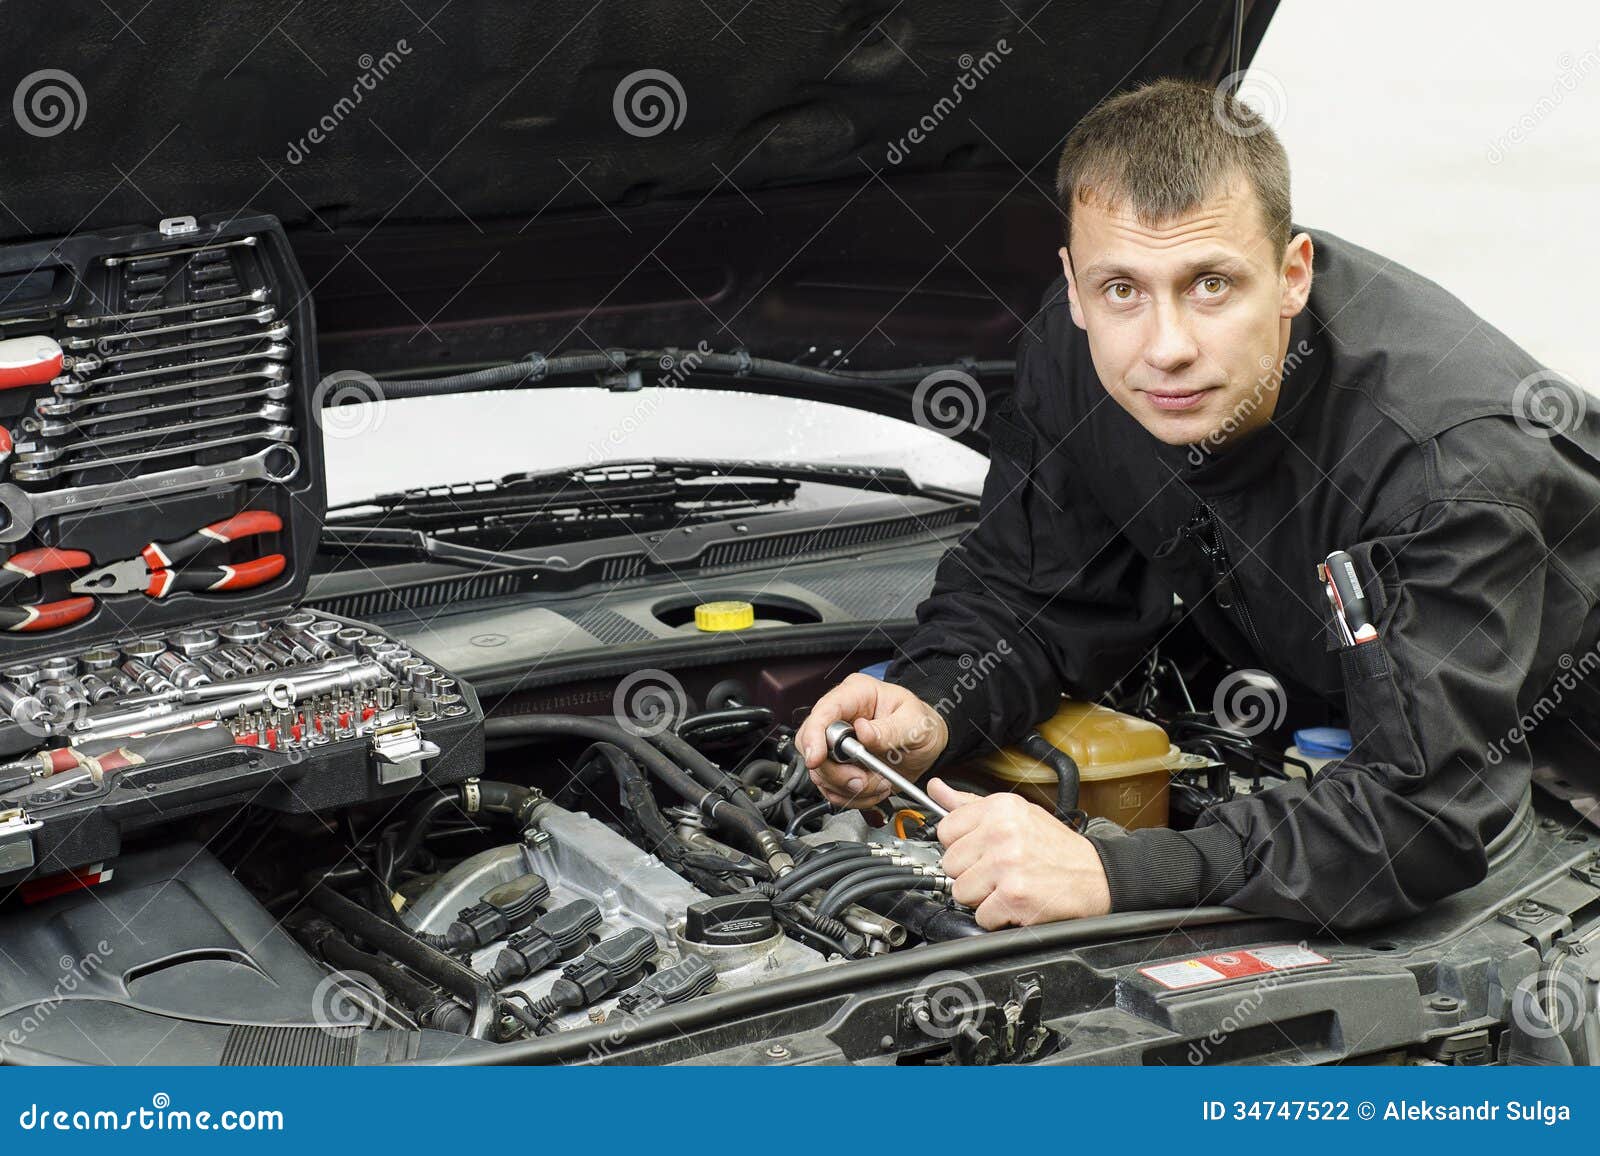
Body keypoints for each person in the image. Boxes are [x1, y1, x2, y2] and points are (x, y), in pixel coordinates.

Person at [796, 78, 1600, 932]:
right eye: (1121, 290)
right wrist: (931, 708)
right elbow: (1034, 592)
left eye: (1210, 284)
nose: (1166, 347)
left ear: (1292, 275)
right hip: (1381, 724)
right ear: (1074, 287)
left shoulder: (1445, 468)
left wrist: (1115, 870)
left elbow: (1423, 815)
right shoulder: (1080, 357)